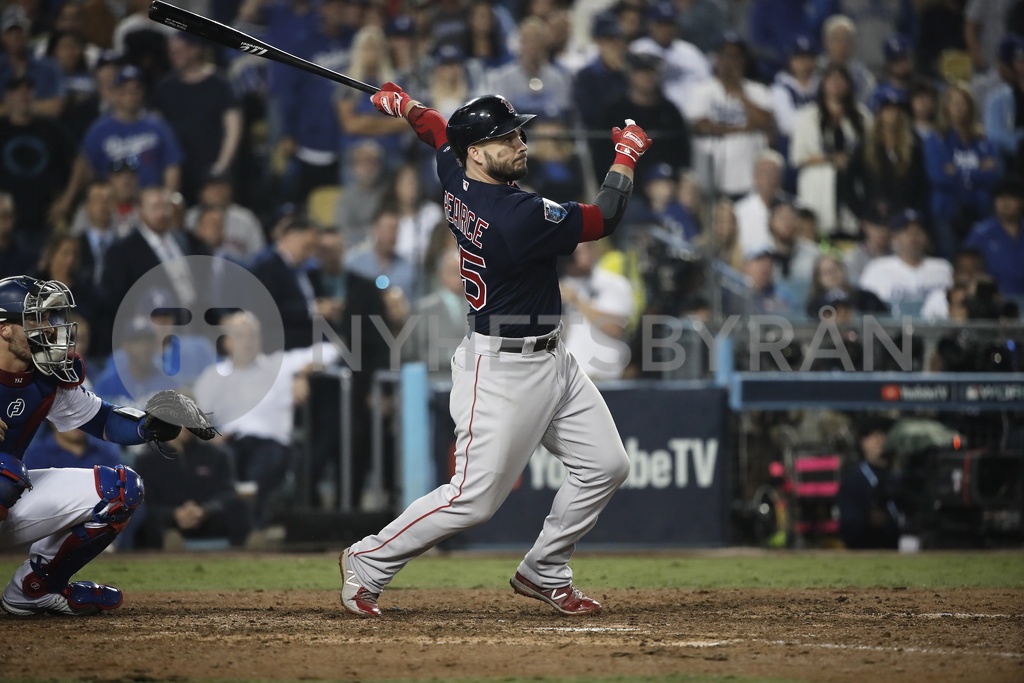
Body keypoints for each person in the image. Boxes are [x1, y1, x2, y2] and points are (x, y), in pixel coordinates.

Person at [338, 81, 650, 617]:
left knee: (606, 465)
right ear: (479, 152)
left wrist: (405, 105)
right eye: (507, 138)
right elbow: (605, 217)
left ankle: (545, 567)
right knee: (472, 498)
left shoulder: (456, 174)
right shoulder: (517, 215)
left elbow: (438, 131)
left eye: (518, 133)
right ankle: (367, 561)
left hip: (554, 360)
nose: (521, 143)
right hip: (502, 369)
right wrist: (625, 154)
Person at [0, 275, 187, 616]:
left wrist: (152, 426)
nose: (46, 329)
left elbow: (103, 421)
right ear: (5, 328)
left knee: (120, 490)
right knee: (5, 475)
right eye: (34, 320)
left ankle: (34, 588)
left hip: (6, 499)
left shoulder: (45, 376)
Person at [150, 33, 243, 205]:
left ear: (195, 49)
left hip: (211, 170)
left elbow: (233, 128)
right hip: (178, 170)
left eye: (178, 51)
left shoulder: (220, 83)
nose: (173, 56)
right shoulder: (165, 86)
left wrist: (222, 166)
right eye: (171, 52)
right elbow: (156, 129)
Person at [133, 428, 252, 549]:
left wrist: (205, 511)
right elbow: (147, 502)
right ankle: (170, 543)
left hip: (209, 519)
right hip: (167, 522)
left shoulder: (217, 454)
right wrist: (174, 514)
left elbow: (227, 493)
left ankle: (249, 549)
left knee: (238, 506)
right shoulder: (146, 460)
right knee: (144, 514)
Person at [791, 63, 869, 239]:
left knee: (850, 233)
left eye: (841, 79)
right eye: (831, 78)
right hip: (819, 184)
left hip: (852, 184)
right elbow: (798, 157)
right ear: (823, 83)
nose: (836, 83)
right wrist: (831, 158)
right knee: (822, 234)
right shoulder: (807, 116)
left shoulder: (862, 117)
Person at [560, 240, 635, 381]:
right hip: (565, 379)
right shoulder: (551, 285)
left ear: (594, 250)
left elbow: (615, 328)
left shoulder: (613, 283)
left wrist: (577, 300)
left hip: (603, 378)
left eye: (581, 251)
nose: (575, 257)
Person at [858, 209, 953, 314]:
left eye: (918, 231)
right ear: (894, 237)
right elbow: (865, 309)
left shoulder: (943, 268)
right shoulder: (876, 268)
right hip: (890, 329)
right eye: (907, 232)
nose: (913, 237)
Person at [837, 415, 900, 550]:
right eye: (871, 435)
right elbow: (848, 530)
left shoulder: (899, 477)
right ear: (861, 442)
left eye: (883, 434)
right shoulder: (854, 480)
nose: (879, 440)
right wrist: (869, 521)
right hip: (868, 550)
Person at [963, 177, 1024, 296]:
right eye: (1000, 197)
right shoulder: (981, 233)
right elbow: (967, 267)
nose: (1005, 202)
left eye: (1011, 197)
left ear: (1021, 202)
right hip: (994, 301)